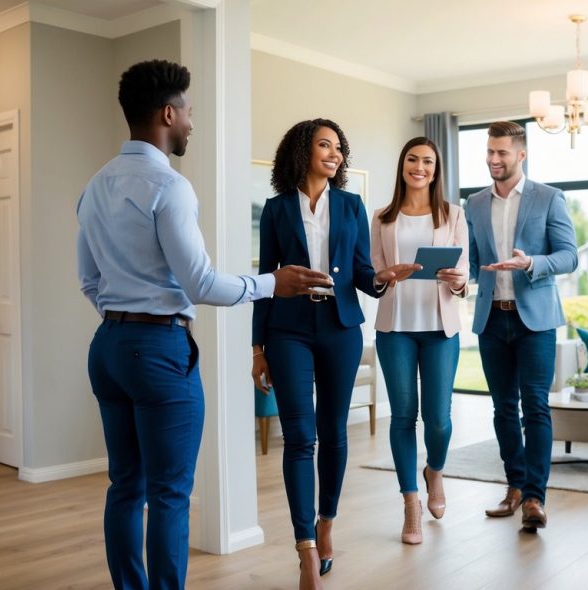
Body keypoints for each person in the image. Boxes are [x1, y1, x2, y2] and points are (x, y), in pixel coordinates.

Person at [76, 60, 333, 590]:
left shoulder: (96, 186)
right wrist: (272, 282)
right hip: (159, 351)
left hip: (108, 346)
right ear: (168, 113)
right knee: (169, 491)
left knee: (125, 485)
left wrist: (123, 318)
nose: (192, 122)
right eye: (189, 112)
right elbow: (201, 284)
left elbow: (88, 281)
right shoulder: (168, 187)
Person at [250, 118, 419, 590]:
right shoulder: (276, 209)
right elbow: (266, 281)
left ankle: (327, 521)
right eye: (325, 145)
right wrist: (257, 347)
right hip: (288, 330)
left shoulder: (350, 205)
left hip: (341, 328)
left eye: (339, 147)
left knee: (333, 433)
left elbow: (363, 274)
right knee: (299, 437)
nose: (336, 153)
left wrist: (386, 278)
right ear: (303, 150)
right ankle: (305, 547)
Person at [466, 121, 577, 531]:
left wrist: (531, 262)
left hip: (536, 321)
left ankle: (534, 498)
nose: (494, 160)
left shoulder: (549, 198)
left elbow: (569, 256)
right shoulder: (474, 203)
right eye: (490, 152)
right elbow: (476, 261)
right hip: (492, 318)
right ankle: (513, 486)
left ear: (521, 154)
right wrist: (460, 276)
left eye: (502, 153)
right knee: (502, 410)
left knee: (535, 406)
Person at [369, 137, 469, 544]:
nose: (420, 167)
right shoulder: (381, 218)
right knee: (403, 416)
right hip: (395, 328)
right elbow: (372, 274)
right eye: (413, 159)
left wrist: (460, 281)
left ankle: (435, 472)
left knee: (439, 419)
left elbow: (463, 272)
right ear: (403, 165)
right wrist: (385, 276)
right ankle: (411, 502)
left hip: (440, 328)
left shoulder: (453, 214)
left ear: (435, 169)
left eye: (428, 161)